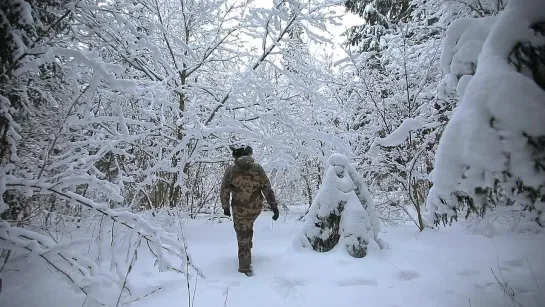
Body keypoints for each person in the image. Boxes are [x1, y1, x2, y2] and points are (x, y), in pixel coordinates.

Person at [220, 144, 279, 276]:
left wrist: (225, 206)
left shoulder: (231, 170)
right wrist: (274, 207)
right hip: (255, 208)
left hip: (239, 209)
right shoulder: (257, 168)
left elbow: (225, 189)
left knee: (242, 235)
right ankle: (247, 250)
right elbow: (267, 189)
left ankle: (244, 268)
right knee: (247, 229)